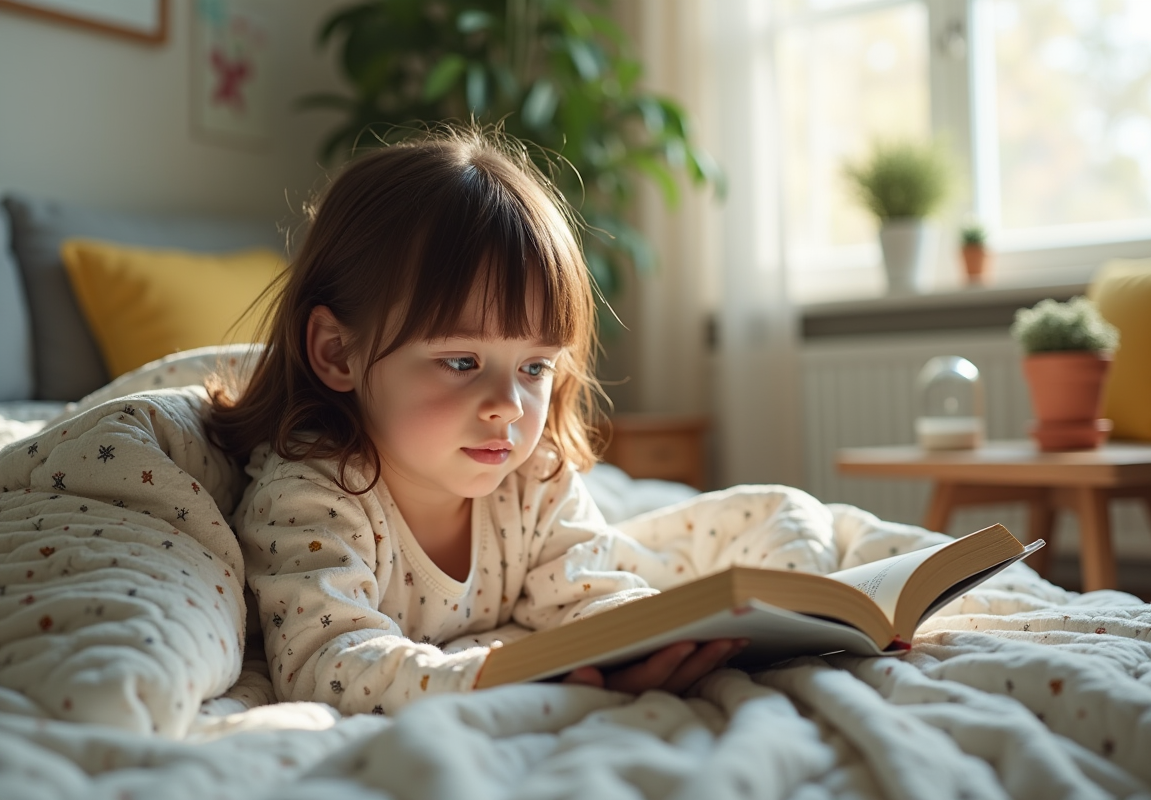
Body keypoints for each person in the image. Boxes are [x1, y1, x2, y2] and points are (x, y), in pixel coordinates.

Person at [205, 129, 749, 715]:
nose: (510, 406)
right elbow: (327, 665)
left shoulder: (533, 479)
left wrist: (645, 639)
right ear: (338, 353)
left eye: (535, 366)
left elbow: (589, 593)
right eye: (462, 362)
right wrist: (510, 680)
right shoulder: (314, 495)